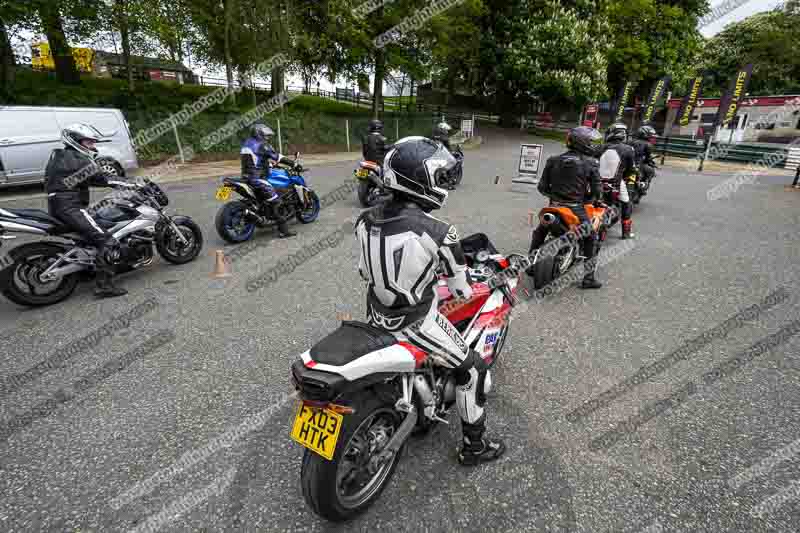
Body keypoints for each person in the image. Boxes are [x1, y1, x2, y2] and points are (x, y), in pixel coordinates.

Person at [354, 136, 505, 465]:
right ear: (420, 181)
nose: (442, 185)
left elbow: (366, 271)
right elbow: (462, 290)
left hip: (375, 315)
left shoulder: (364, 219)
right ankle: (474, 447)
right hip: (416, 321)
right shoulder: (440, 232)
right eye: (438, 178)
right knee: (474, 370)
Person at [45, 123, 138, 298]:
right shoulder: (76, 159)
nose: (93, 146)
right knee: (106, 240)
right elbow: (101, 178)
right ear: (75, 141)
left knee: (91, 234)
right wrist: (131, 183)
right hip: (70, 207)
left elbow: (88, 179)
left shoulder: (61, 156)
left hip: (61, 204)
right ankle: (104, 286)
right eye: (89, 142)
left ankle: (86, 269)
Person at [531, 126, 604, 289]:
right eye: (592, 142)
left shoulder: (552, 160)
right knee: (591, 237)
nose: (594, 145)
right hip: (576, 208)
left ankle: (530, 266)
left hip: (554, 207)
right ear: (583, 143)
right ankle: (589, 278)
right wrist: (592, 199)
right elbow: (598, 191)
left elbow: (542, 187)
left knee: (540, 231)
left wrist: (556, 197)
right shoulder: (591, 163)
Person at [241, 123, 298, 238]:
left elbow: (256, 159)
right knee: (276, 202)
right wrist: (294, 163)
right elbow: (277, 157)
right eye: (265, 135)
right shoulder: (261, 145)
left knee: (265, 198)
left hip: (247, 176)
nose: (267, 138)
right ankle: (284, 231)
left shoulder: (247, 143)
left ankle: (261, 213)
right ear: (259, 134)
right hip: (258, 179)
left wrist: (268, 164)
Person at [602, 122, 637, 239]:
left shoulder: (600, 147)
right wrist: (624, 176)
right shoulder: (628, 149)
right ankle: (626, 233)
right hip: (615, 183)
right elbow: (631, 169)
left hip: (596, 181)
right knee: (626, 203)